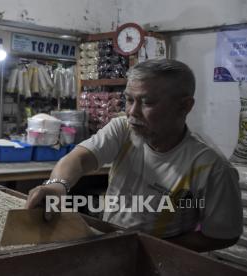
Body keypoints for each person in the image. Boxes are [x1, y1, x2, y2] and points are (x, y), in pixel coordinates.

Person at [25, 59, 243, 252]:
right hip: (111, 243)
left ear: (184, 106)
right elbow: (80, 158)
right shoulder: (123, 129)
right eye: (129, 100)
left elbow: (222, 235)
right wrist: (56, 186)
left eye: (147, 103)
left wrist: (150, 249)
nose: (132, 112)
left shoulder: (210, 167)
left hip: (155, 258)